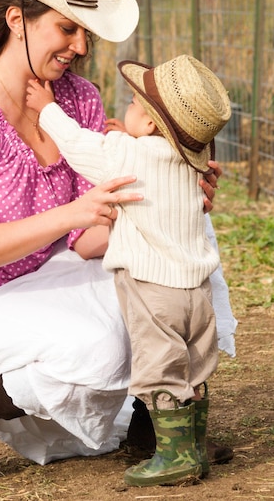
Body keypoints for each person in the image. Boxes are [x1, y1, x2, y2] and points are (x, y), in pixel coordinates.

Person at [0, 0, 236, 490]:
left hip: (42, 274)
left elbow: (90, 239)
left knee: (189, 267)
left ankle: (160, 428)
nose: (80, 46)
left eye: (85, 33)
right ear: (15, 19)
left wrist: (170, 201)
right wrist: (73, 213)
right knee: (100, 347)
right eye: (67, 28)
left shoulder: (77, 97)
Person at [26, 53, 232, 486]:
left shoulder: (125, 155)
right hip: (197, 293)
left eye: (136, 105)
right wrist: (130, 138)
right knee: (192, 369)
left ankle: (173, 459)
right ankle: (194, 449)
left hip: (153, 292)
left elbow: (83, 148)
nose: (128, 108)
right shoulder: (188, 163)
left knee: (160, 371)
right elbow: (144, 154)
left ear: (153, 125)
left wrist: (47, 109)